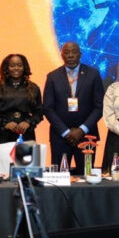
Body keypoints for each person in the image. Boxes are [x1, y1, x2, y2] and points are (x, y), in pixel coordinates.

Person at [42, 42, 104, 174]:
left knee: (86, 176)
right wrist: (65, 132)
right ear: (62, 55)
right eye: (66, 52)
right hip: (60, 136)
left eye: (74, 52)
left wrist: (82, 130)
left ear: (80, 54)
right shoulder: (52, 76)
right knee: (59, 177)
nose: (70, 55)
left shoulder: (93, 74)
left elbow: (99, 107)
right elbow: (48, 108)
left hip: (87, 136)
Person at [0, 54, 42, 174]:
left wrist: (29, 122)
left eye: (19, 65)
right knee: (1, 170)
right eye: (12, 65)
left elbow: (39, 112)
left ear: (24, 67)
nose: (16, 68)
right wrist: (4, 123)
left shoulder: (33, 88)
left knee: (26, 171)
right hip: (2, 133)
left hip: (25, 132)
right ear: (7, 68)